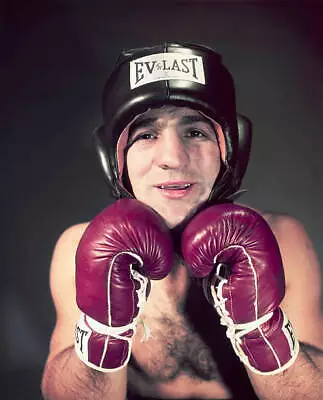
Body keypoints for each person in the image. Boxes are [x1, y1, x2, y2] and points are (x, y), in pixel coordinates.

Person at [41, 43, 323, 400]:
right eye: (146, 134)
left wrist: (262, 331)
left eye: (195, 132)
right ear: (115, 159)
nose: (173, 158)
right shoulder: (78, 249)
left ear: (231, 149)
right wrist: (102, 332)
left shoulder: (281, 241)